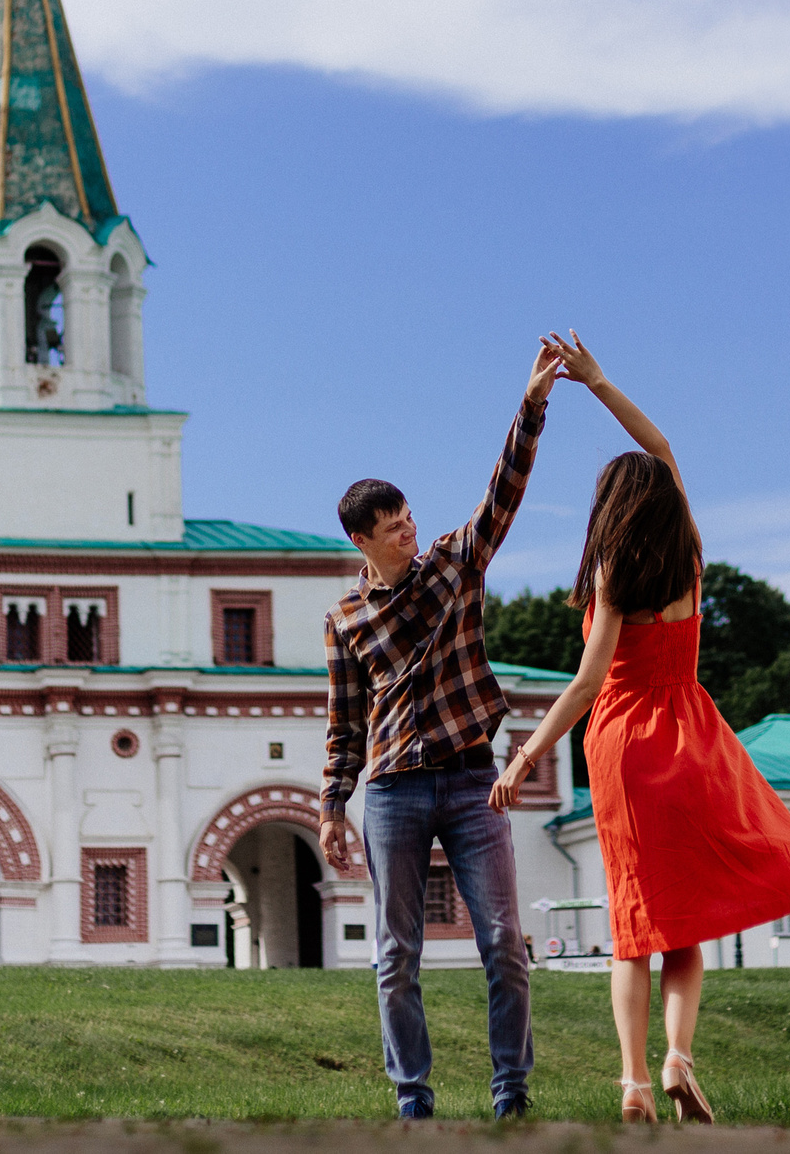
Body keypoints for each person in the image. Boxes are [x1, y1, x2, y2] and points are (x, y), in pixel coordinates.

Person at [492, 331, 790, 1124]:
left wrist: (527, 753)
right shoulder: (691, 556)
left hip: (625, 745)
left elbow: (585, 682)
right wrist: (602, 382)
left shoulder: (612, 572)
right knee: (686, 923)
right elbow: (664, 444)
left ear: (609, 508)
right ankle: (682, 1057)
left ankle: (635, 1081)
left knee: (633, 926)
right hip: (692, 737)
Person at [321, 341, 563, 1121]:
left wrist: (531, 404)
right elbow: (344, 719)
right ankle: (413, 1098)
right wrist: (332, 803)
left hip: (469, 776)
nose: (408, 533)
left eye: (409, 518)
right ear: (362, 540)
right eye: (392, 528)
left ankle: (511, 1092)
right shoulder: (346, 619)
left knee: (504, 943)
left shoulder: (455, 564)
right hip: (391, 791)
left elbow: (505, 491)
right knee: (396, 955)